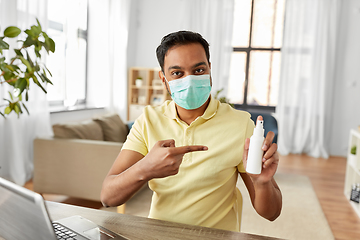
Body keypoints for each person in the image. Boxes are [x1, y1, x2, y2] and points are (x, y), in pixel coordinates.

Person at [101, 30, 282, 232]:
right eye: (177, 73)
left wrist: (263, 183)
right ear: (164, 79)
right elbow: (108, 197)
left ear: (209, 70)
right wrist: (146, 168)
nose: (189, 80)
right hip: (159, 236)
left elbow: (271, 214)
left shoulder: (241, 124)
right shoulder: (148, 121)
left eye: (198, 70)